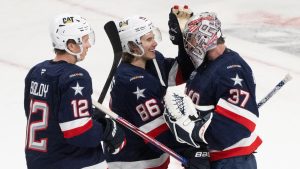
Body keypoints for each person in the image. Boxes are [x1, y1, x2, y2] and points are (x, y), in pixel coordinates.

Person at [105, 7, 210, 169]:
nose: (154, 42)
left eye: (153, 37)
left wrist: (182, 42)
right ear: (133, 46)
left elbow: (183, 73)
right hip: (134, 163)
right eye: (148, 39)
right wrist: (190, 150)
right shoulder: (131, 81)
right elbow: (156, 131)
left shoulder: (151, 61)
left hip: (152, 159)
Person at [24, 13, 126, 169]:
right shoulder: (75, 77)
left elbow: (38, 114)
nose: (88, 45)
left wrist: (86, 116)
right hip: (75, 162)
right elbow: (79, 133)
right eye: (85, 40)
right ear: (71, 46)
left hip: (39, 160)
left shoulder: (36, 72)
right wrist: (105, 129)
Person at [163, 12, 263, 169]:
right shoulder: (207, 63)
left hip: (231, 161)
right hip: (209, 160)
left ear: (206, 38)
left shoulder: (232, 69)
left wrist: (197, 136)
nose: (189, 45)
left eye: (192, 39)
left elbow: (240, 123)